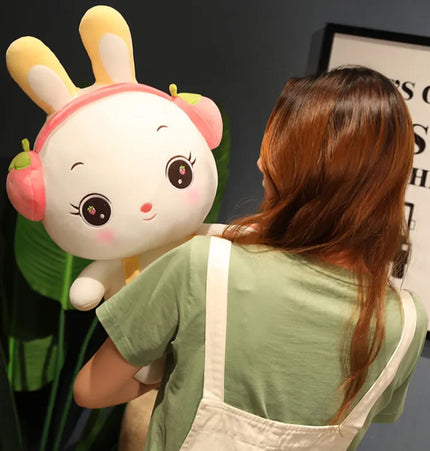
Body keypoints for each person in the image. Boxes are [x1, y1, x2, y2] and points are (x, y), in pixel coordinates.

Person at [73, 66, 428, 451]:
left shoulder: (202, 266)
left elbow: (91, 389)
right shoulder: (404, 321)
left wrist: (178, 371)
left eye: (277, 146)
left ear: (306, 167)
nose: (261, 163)